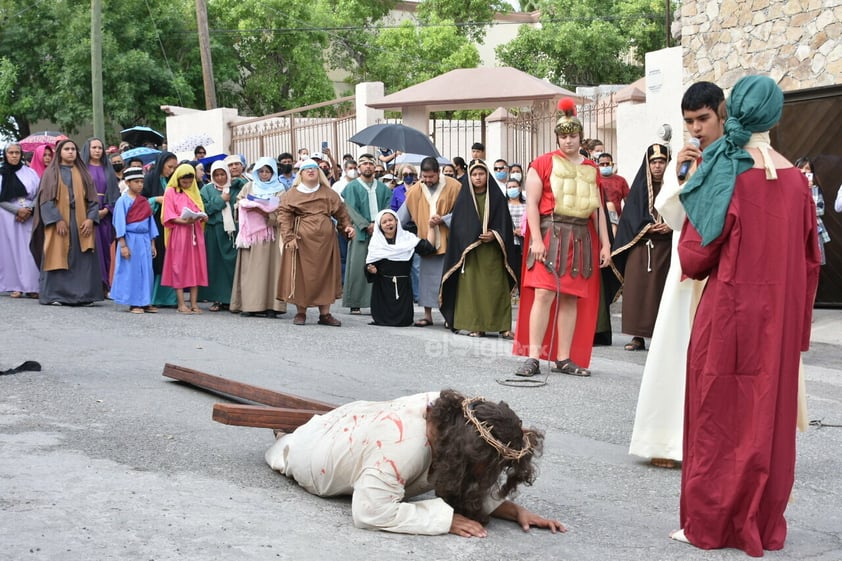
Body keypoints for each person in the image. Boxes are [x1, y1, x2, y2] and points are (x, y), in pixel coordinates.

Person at [671, 75, 821, 557]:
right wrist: (798, 331)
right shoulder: (798, 181)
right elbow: (811, 261)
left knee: (718, 415)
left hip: (729, 314)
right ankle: (760, 521)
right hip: (777, 320)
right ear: (776, 117)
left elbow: (695, 255)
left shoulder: (726, 169)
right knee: (766, 417)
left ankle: (711, 523)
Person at [265, 389, 566, 537]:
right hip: (313, 453)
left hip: (356, 423)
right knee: (295, 440)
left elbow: (467, 475)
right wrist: (444, 520)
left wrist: (513, 510)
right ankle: (286, 435)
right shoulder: (404, 448)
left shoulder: (455, 414)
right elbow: (369, 512)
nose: (491, 474)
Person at [628, 81, 725, 469]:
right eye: (690, 122)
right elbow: (671, 216)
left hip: (720, 266)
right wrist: (683, 178)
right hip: (686, 268)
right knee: (674, 350)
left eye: (704, 119)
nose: (697, 129)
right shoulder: (682, 163)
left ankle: (713, 445)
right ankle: (668, 441)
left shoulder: (735, 158)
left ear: (721, 113)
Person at [512, 99, 612, 377]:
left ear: (581, 136)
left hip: (580, 237)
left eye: (573, 135)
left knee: (570, 297)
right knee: (543, 293)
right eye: (563, 136)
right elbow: (531, 203)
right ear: (558, 137)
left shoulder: (592, 168)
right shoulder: (542, 163)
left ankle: (564, 358)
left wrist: (605, 244)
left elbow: (597, 209)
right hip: (549, 232)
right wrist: (535, 240)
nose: (568, 140)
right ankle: (533, 357)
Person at [440, 159, 518, 338]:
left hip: (493, 252)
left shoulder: (497, 197)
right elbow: (459, 227)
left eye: (481, 174)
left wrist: (494, 234)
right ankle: (476, 325)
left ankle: (503, 326)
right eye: (474, 174)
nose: (478, 177)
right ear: (469, 177)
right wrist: (471, 235)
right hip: (471, 252)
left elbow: (504, 224)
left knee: (496, 288)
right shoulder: (464, 200)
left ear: (487, 175)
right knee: (473, 289)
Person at [277, 159, 354, 326]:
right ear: (301, 174)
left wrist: (347, 227)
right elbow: (284, 216)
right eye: (307, 169)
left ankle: (325, 314)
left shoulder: (329, 193)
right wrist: (288, 237)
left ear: (318, 172)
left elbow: (341, 214)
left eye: (314, 169)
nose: (311, 171)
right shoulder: (292, 194)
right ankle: (301, 312)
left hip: (326, 242)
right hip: (301, 241)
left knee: (325, 275)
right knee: (302, 275)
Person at [611, 144, 672, 352]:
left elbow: (686, 211)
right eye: (653, 162)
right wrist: (646, 226)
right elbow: (630, 218)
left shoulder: (675, 187)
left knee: (663, 291)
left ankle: (662, 335)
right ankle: (638, 336)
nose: (657, 166)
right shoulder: (639, 189)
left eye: (661, 162)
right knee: (638, 289)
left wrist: (672, 224)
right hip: (642, 245)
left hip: (667, 247)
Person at [30, 139, 103, 306]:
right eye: (67, 149)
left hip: (81, 222)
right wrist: (56, 220)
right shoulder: (51, 173)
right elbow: (45, 201)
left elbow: (92, 200)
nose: (71, 152)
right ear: (60, 152)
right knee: (57, 255)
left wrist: (91, 219)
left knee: (83, 258)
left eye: (73, 149)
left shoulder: (84, 173)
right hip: (58, 222)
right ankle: (56, 295)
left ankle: (84, 295)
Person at [397, 157, 461, 327]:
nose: (427, 180)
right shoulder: (415, 190)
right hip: (426, 240)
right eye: (424, 177)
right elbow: (402, 217)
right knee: (426, 278)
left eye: (431, 177)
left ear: (438, 173)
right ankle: (427, 315)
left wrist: (444, 219)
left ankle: (449, 315)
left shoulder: (455, 186)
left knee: (447, 279)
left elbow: (463, 212)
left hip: (449, 239)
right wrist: (390, 227)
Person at [230, 156, 287, 318]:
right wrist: (245, 206)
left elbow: (284, 209)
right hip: (252, 236)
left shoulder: (280, 188)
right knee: (251, 270)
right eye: (261, 171)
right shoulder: (249, 186)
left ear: (273, 172)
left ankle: (272, 306)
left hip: (270, 235)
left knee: (271, 270)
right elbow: (238, 203)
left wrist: (267, 212)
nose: (264, 174)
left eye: (267, 171)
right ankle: (249, 305)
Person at [365, 209, 436, 326]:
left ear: (396, 221)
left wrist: (431, 227)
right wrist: (371, 270)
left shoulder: (408, 239)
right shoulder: (376, 243)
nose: (388, 223)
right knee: (382, 318)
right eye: (384, 222)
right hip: (382, 287)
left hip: (403, 286)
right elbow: (369, 266)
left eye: (390, 220)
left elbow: (427, 248)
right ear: (380, 226)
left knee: (404, 320)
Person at [341, 154, 391, 314]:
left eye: (371, 163)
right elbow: (350, 208)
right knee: (357, 265)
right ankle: (355, 301)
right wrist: (365, 225)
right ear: (359, 167)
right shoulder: (352, 187)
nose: (368, 166)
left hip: (380, 230)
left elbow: (388, 206)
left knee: (380, 265)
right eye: (364, 164)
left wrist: (379, 224)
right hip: (360, 230)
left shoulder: (383, 188)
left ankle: (378, 300)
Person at [161, 163, 208, 314]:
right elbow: (168, 215)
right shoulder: (170, 192)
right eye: (184, 182)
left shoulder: (195, 192)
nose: (187, 185)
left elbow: (200, 210)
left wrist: (202, 217)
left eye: (189, 182)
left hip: (195, 233)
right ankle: (181, 304)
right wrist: (185, 221)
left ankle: (194, 303)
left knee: (196, 266)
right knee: (179, 266)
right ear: (178, 179)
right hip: (180, 233)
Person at [110, 167, 158, 314]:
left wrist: (152, 244)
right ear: (128, 182)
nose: (140, 185)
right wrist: (123, 245)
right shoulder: (122, 201)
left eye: (141, 182)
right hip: (130, 239)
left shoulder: (143, 201)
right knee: (132, 271)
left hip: (144, 239)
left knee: (146, 271)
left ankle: (145, 301)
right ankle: (134, 302)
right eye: (136, 182)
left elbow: (150, 224)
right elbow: (119, 223)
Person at [199, 160, 241, 312]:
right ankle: (217, 298)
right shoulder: (206, 190)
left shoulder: (235, 187)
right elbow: (204, 209)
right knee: (215, 266)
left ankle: (232, 298)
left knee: (232, 265)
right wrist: (221, 200)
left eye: (223, 174)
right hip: (214, 230)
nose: (220, 178)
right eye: (216, 174)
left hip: (232, 232)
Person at [81, 137, 121, 295]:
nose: (97, 150)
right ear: (88, 149)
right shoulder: (81, 168)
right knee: (89, 249)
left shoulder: (108, 168)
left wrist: (107, 209)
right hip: (85, 213)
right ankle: (90, 285)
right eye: (94, 147)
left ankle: (104, 285)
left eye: (99, 147)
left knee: (104, 251)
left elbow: (114, 192)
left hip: (105, 213)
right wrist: (90, 212)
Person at [0, 143, 40, 298]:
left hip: (28, 215)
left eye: (17, 152)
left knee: (28, 250)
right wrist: (17, 210)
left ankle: (31, 286)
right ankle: (14, 285)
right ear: (6, 154)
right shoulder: (1, 174)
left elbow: (38, 193)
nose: (14, 155)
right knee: (10, 250)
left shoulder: (30, 172)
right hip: (7, 215)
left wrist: (29, 209)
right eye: (11, 152)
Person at [142, 151, 179, 307]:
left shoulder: (172, 180)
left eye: (174, 168)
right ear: (161, 163)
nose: (171, 170)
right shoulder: (150, 179)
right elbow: (141, 201)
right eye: (169, 166)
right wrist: (156, 199)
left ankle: (168, 297)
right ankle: (154, 296)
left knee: (169, 257)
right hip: (155, 222)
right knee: (157, 257)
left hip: (170, 223)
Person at [795, 157, 830, 265]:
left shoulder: (815, 190)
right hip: (797, 229)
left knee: (816, 261)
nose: (803, 171)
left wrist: (808, 190)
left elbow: (820, 210)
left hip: (815, 229)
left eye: (807, 168)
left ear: (812, 172)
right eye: (800, 168)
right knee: (798, 262)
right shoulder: (791, 190)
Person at [596, 153, 630, 234]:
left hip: (616, 221)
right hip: (598, 221)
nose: (605, 166)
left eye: (607, 164)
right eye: (602, 164)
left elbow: (628, 203)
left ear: (612, 164)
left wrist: (623, 219)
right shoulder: (594, 180)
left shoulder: (621, 181)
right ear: (598, 165)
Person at [506, 177, 526, 287]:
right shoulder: (504, 206)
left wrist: (523, 231)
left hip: (524, 241)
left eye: (514, 187)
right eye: (509, 187)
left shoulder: (527, 205)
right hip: (510, 242)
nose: (512, 189)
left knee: (521, 271)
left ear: (520, 188)